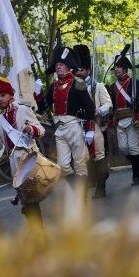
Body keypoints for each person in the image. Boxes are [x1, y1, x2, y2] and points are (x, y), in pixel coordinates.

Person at [0, 75, 46, 226]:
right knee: (25, 198)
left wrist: (30, 128)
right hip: (14, 160)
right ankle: (35, 228)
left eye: (3, 95)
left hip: (29, 155)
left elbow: (41, 130)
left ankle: (39, 231)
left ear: (11, 94)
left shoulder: (24, 110)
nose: (0, 99)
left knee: (30, 196)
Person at [44, 45, 95, 190]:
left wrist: (90, 128)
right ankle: (78, 189)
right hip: (59, 129)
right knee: (63, 166)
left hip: (74, 126)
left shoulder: (77, 83)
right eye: (57, 65)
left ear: (68, 67)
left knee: (80, 164)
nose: (58, 67)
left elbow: (89, 107)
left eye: (61, 64)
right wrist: (37, 94)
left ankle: (82, 194)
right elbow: (43, 105)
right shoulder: (54, 86)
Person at [73, 44, 112, 197]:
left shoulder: (98, 86)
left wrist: (99, 110)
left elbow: (108, 104)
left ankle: (101, 187)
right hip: (77, 127)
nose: (79, 72)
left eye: (81, 69)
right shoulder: (72, 87)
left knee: (98, 155)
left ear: (88, 70)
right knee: (81, 159)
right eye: (77, 70)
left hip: (93, 125)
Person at [109, 46, 139, 185]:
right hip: (119, 120)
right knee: (123, 148)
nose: (117, 69)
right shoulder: (113, 86)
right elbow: (112, 105)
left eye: (119, 67)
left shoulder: (134, 83)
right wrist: (111, 122)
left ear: (125, 69)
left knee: (133, 147)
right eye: (116, 67)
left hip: (132, 118)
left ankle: (136, 175)